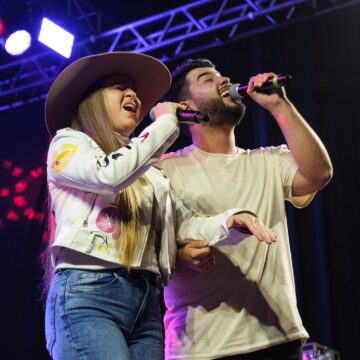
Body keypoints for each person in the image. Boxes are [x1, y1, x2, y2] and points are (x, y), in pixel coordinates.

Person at [43, 52, 277, 360]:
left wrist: (229, 221)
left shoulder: (149, 172)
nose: (133, 95)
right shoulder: (68, 144)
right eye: (118, 87)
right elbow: (108, 175)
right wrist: (166, 121)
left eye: (135, 92)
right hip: (89, 295)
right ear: (92, 100)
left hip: (147, 301)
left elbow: (181, 223)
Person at [158, 59, 333, 359]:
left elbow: (319, 173)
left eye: (220, 74)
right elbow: (143, 248)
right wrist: (180, 256)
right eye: (206, 79)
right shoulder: (166, 168)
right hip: (203, 348)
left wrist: (280, 106)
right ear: (186, 106)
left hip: (277, 338)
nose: (224, 79)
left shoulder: (268, 160)